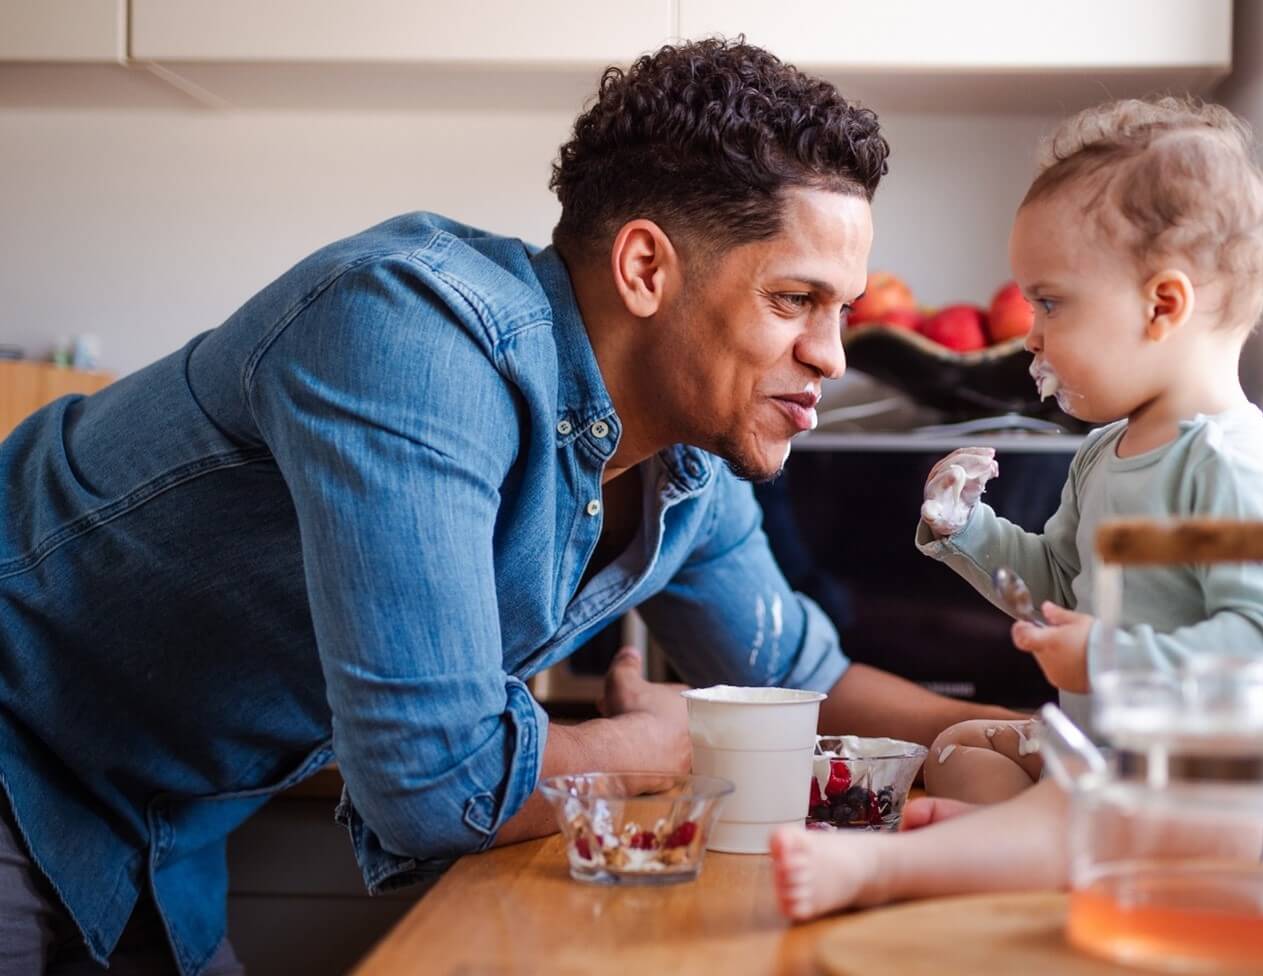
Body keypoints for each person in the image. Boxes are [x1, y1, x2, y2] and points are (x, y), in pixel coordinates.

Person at [0, 40, 1022, 976]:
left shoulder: (685, 463)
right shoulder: (413, 336)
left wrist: (1048, 745)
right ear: (643, 269)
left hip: (161, 823)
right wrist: (637, 752)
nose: (833, 355)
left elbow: (801, 675)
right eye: (792, 301)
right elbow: (434, 779)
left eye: (840, 309)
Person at [770, 95, 1263, 920]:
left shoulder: (1238, 469)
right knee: (963, 748)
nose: (1030, 334)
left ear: (1163, 305)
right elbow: (1054, 584)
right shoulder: (1104, 453)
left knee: (1080, 807)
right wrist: (968, 531)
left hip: (1231, 805)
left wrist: (1110, 656)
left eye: (1052, 303)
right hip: (1113, 768)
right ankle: (1021, 849)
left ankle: (900, 868)